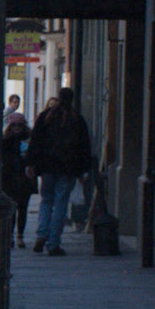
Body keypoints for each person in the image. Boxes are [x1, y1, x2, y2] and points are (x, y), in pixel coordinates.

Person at [26, 85, 93, 256]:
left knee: (46, 201)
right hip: (67, 168)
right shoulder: (77, 119)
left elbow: (35, 141)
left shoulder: (46, 117)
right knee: (60, 204)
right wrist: (83, 170)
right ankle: (53, 242)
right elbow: (84, 146)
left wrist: (31, 163)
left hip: (47, 166)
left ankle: (42, 234)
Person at [1, 93, 33, 247]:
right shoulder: (5, 141)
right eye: (14, 126)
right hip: (10, 178)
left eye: (19, 126)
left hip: (24, 177)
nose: (17, 128)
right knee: (12, 207)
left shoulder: (28, 140)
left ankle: (20, 235)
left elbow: (33, 158)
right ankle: (11, 235)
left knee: (23, 208)